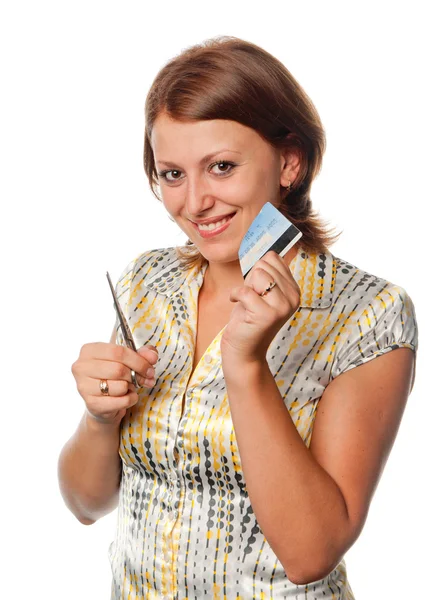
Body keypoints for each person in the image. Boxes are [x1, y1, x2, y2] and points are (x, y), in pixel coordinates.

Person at [58, 36, 418, 599]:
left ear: (290, 162)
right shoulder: (147, 285)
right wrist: (101, 419)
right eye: (172, 173)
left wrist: (246, 367)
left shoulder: (366, 314)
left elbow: (310, 554)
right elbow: (85, 504)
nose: (195, 201)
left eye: (221, 167)